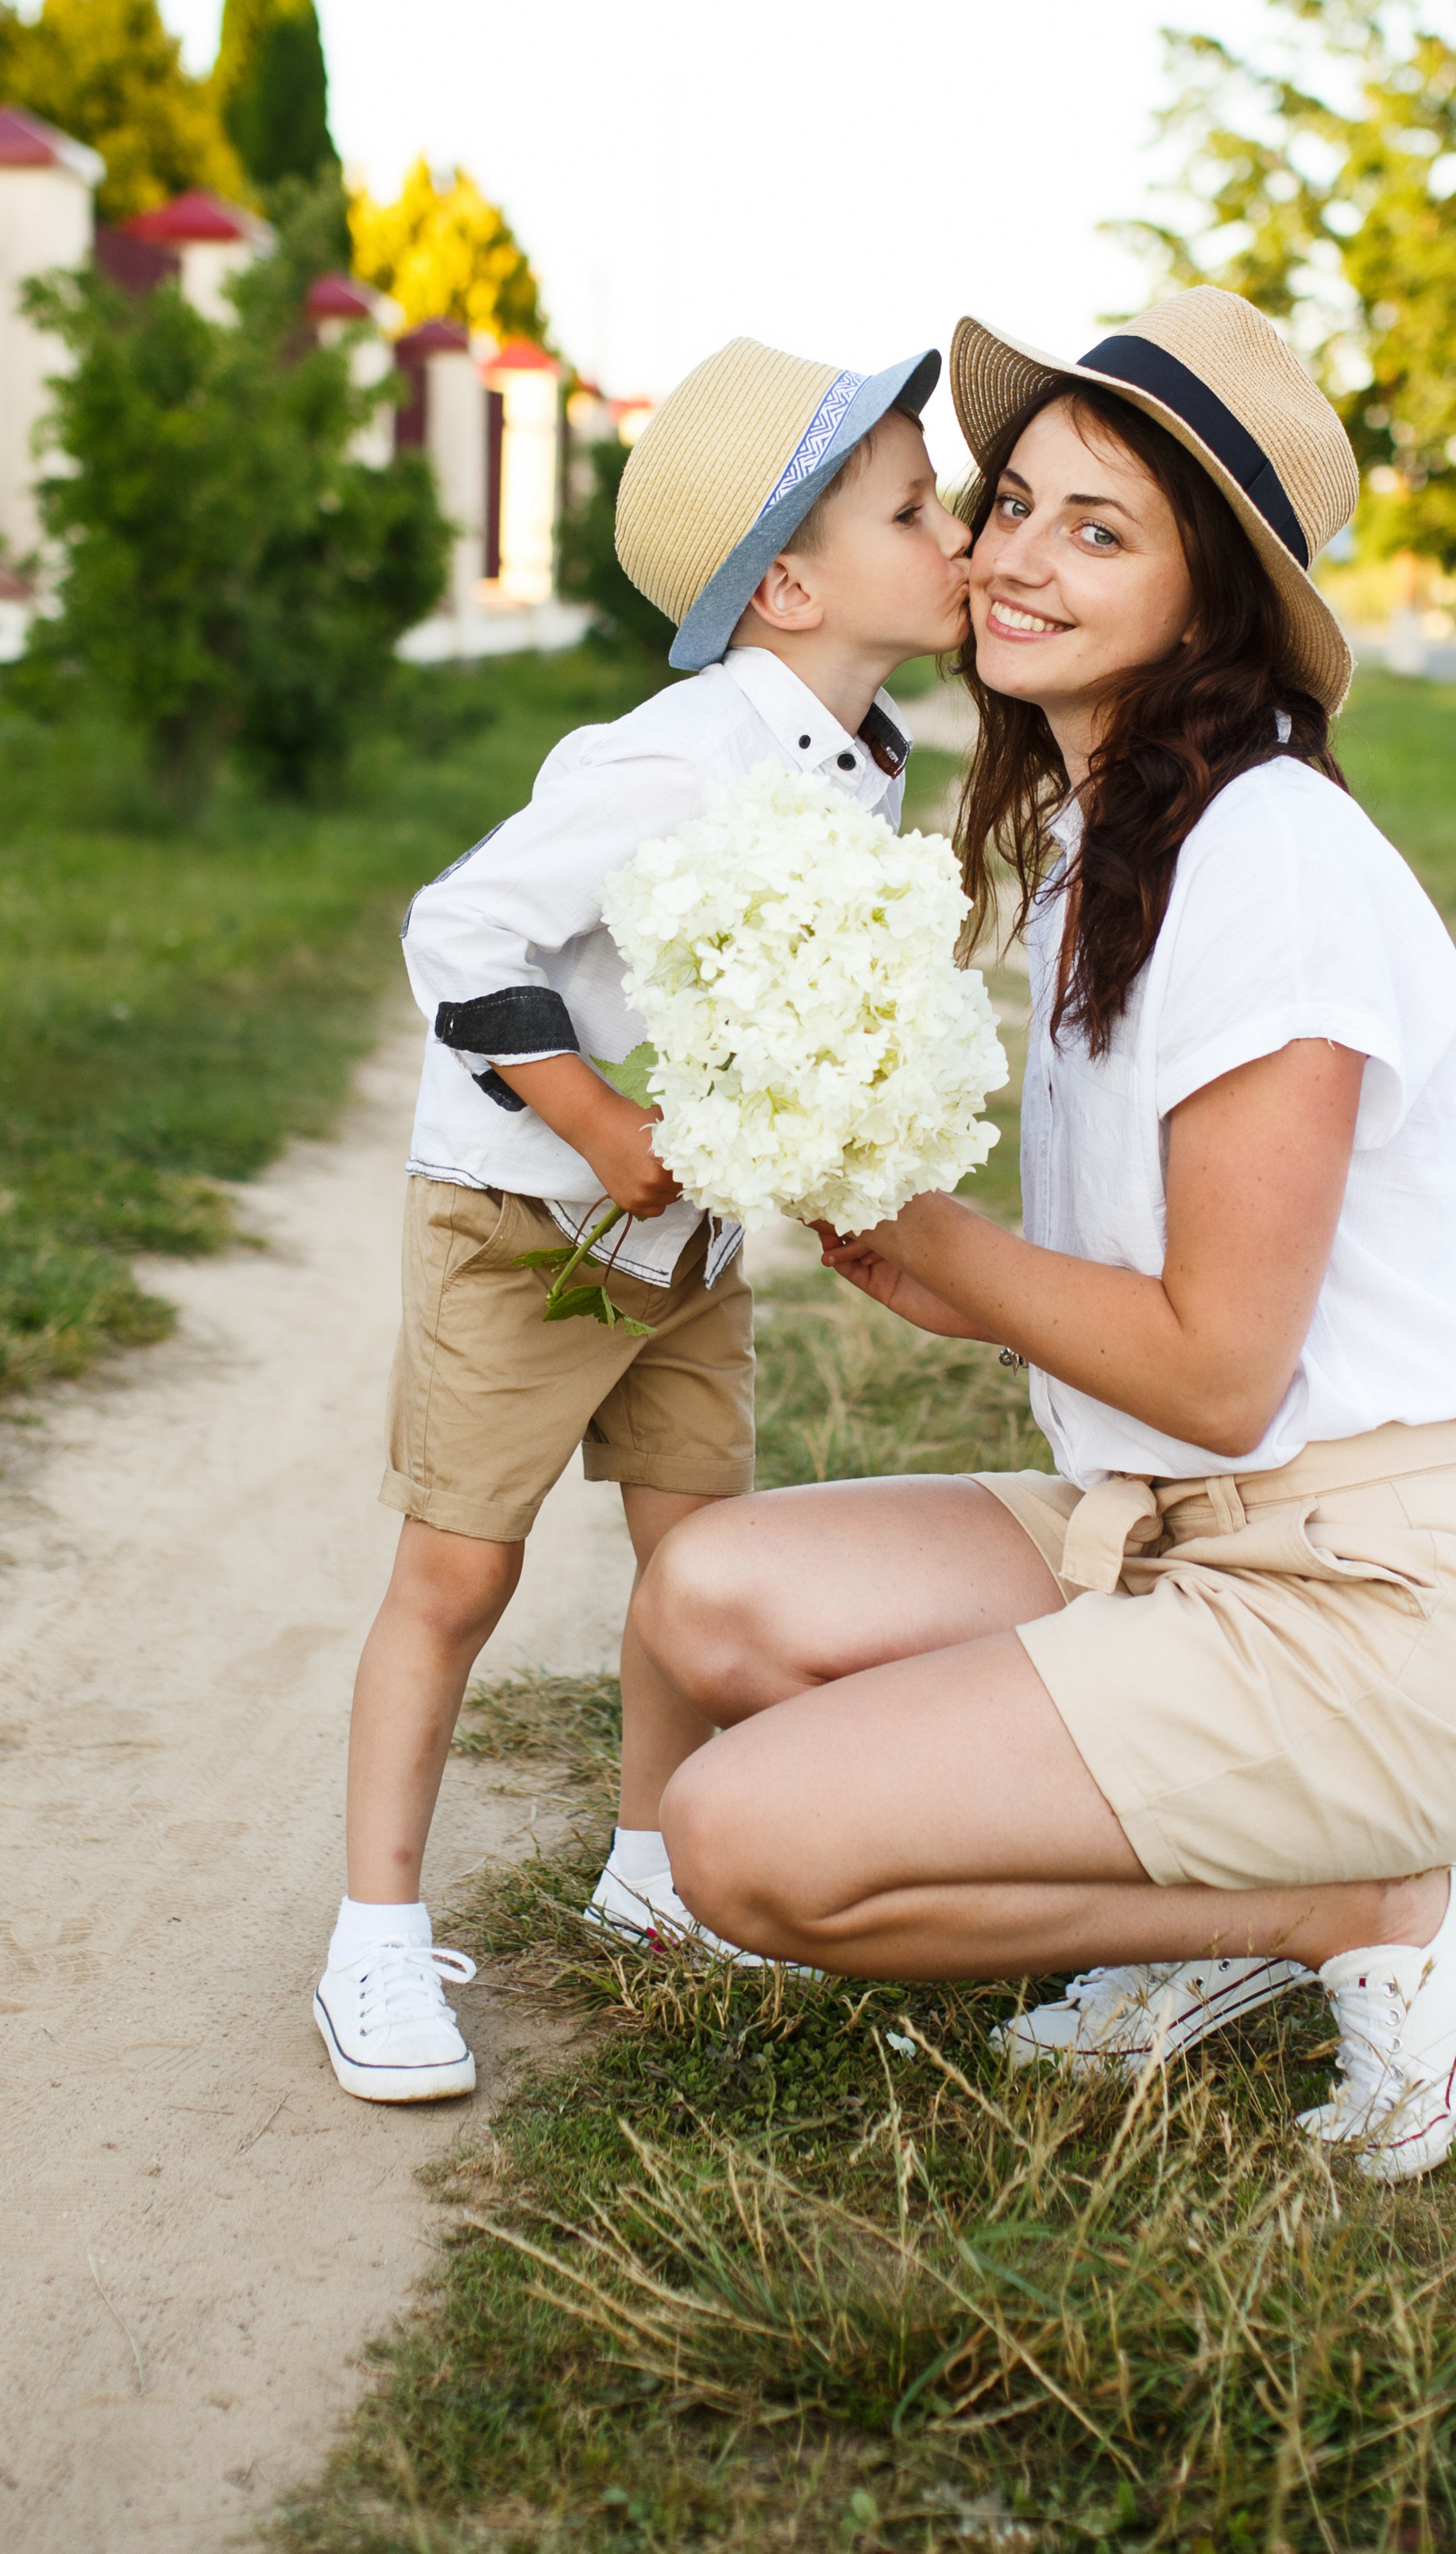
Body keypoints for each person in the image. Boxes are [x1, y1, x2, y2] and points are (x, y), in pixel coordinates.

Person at [617, 287, 1456, 2183]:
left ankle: (1368, 1911)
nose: (1008, 559)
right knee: (710, 1596)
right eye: (1013, 504)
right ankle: (1212, 1874)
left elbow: (1223, 1374)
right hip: (1165, 1541)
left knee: (744, 1845)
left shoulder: (1267, 855)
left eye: (1098, 529)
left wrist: (951, 1246)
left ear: (1211, 600)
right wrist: (933, 1271)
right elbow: (1150, 1323)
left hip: (1367, 1609)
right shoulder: (1099, 837)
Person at [311, 335, 973, 2104]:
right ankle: (371, 1939)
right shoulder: (680, 754)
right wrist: (598, 1118)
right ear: (790, 585)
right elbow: (458, 933)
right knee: (457, 1573)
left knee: (700, 1574)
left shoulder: (864, 748)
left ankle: (649, 1869)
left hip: (682, 1250)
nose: (962, 531)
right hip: (525, 1224)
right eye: (919, 507)